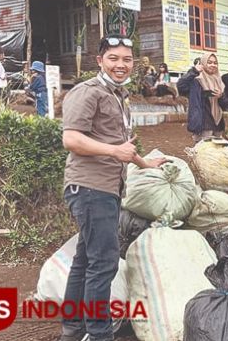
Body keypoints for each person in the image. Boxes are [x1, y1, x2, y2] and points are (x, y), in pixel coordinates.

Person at [60, 34, 166, 341]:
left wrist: (143, 163)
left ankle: (72, 326)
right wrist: (114, 153)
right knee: (103, 263)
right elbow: (72, 139)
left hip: (105, 188)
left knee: (86, 258)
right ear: (100, 60)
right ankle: (98, 334)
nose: (121, 65)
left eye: (127, 60)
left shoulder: (118, 95)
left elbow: (119, 145)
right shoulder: (87, 92)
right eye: (114, 58)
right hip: (91, 188)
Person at [186, 52, 226, 142]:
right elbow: (181, 86)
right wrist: (194, 71)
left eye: (215, 63)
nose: (213, 65)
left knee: (217, 152)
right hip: (203, 123)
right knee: (203, 152)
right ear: (203, 63)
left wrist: (221, 96)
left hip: (218, 123)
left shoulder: (220, 82)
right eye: (209, 62)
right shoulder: (196, 80)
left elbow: (225, 105)